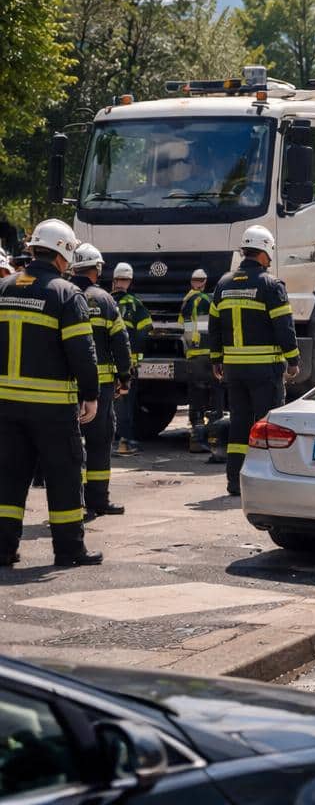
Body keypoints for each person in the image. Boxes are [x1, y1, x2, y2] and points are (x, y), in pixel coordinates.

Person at [0, 219, 103, 567]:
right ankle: (69, 550)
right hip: (52, 408)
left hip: (6, 406)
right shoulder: (65, 293)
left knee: (8, 477)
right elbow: (82, 351)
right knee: (64, 476)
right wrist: (91, 394)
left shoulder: (4, 288)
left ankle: (3, 548)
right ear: (64, 253)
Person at [209, 226, 299, 497]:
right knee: (268, 427)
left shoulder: (223, 285)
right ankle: (270, 484)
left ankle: (235, 482)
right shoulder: (271, 285)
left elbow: (214, 327)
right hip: (264, 371)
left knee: (239, 425)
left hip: (234, 371)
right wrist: (293, 359)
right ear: (264, 251)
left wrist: (216, 359)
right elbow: (284, 326)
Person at [71, 244, 133, 518]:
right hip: (101, 387)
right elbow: (121, 341)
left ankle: (75, 504)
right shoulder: (104, 300)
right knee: (99, 443)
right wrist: (125, 376)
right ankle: (98, 500)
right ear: (96, 269)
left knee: (71, 446)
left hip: (65, 387)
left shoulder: (63, 295)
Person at [110, 262, 150, 455]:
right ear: (130, 281)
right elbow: (145, 329)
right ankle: (125, 442)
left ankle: (111, 441)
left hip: (105, 363)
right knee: (126, 402)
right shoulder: (135, 304)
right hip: (127, 363)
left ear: (114, 279)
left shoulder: (105, 301)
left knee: (109, 403)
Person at [179, 267, 217, 453]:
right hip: (206, 353)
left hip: (192, 354)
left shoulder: (186, 301)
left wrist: (191, 344)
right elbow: (205, 326)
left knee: (196, 397)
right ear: (204, 282)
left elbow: (184, 326)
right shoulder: (205, 300)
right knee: (213, 395)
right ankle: (213, 437)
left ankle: (195, 438)